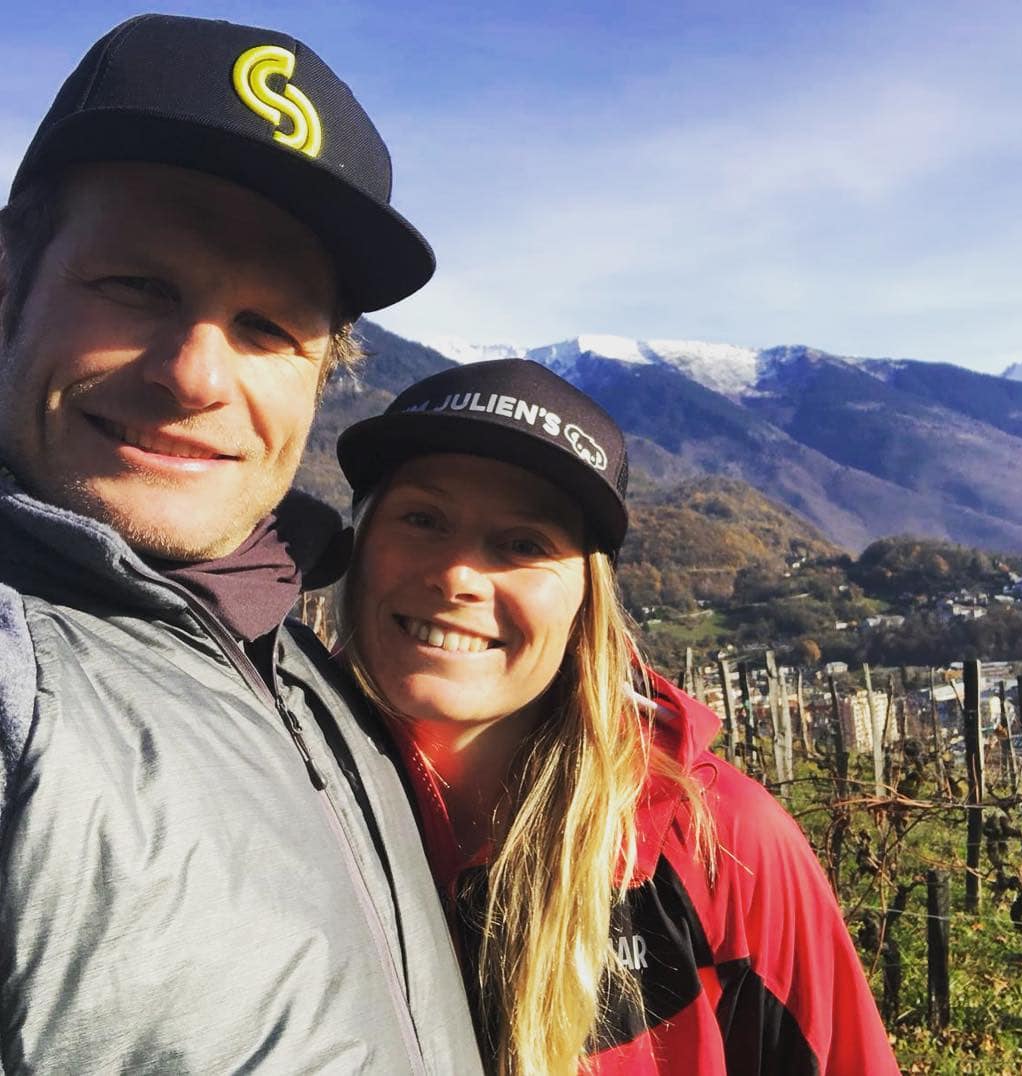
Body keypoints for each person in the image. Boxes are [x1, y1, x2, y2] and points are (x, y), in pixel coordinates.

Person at [0, 14, 482, 1073]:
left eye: (269, 327)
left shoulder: (290, 659)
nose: (196, 375)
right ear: (7, 284)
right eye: (139, 286)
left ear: (323, 371)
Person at [336, 358, 902, 1075]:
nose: (457, 578)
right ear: (360, 545)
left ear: (586, 599)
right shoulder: (274, 798)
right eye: (422, 519)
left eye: (524, 544)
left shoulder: (716, 841)